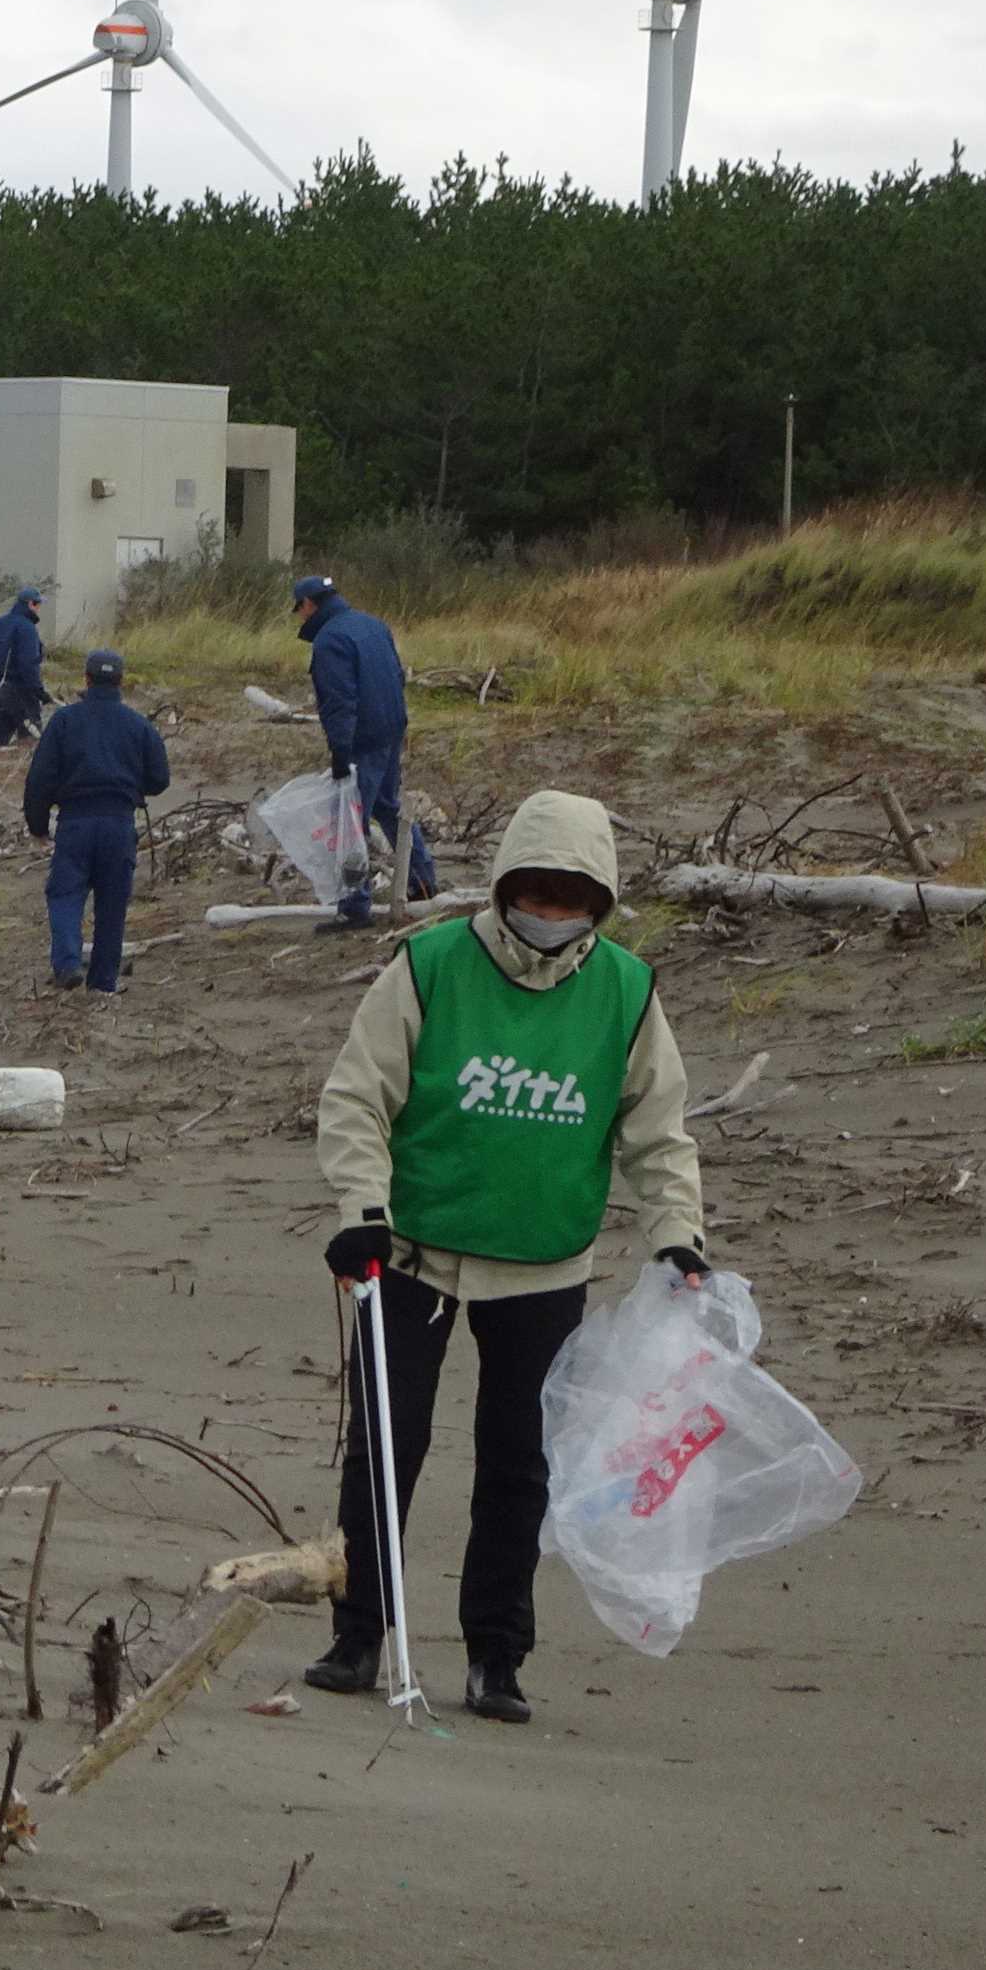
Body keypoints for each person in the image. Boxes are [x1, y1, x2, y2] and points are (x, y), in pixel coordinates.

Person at [306, 789, 706, 1725]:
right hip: (406, 1257)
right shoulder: (432, 964)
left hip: (544, 1266)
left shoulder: (626, 992)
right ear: (504, 886)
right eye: (538, 892)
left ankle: (497, 1655)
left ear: (600, 902)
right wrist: (362, 1209)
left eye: (575, 898)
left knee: (519, 1464)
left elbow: (657, 1135)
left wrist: (677, 1236)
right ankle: (359, 1632)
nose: (553, 913)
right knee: (383, 1448)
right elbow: (358, 1095)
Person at [293, 574, 439, 929]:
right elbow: (397, 677)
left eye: (297, 609)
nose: (297, 617)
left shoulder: (330, 641)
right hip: (391, 728)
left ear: (309, 604)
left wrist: (340, 752)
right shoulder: (373, 625)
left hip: (363, 738)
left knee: (348, 821)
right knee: (389, 807)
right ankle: (422, 883)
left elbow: (339, 701)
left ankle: (354, 906)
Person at [22, 649, 170, 993]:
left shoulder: (64, 721)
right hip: (119, 823)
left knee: (65, 894)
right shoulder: (138, 724)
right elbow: (160, 778)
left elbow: (40, 779)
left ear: (86, 680)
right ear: (120, 681)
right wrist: (132, 787)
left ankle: (68, 963)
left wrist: (38, 825)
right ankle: (103, 982)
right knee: (112, 905)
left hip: (76, 822)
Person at [0, 585, 50, 750]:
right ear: (31, 604)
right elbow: (28, 665)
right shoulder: (27, 628)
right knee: (32, 742)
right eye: (38, 605)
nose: (39, 609)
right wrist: (39, 692)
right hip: (20, 692)